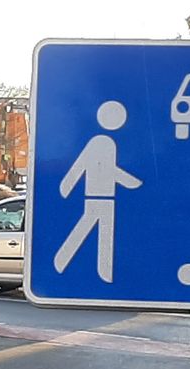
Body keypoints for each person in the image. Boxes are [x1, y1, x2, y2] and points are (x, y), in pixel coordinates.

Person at [53, 100, 142, 283]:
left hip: (108, 197)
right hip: (97, 195)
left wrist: (67, 187)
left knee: (100, 232)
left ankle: (104, 272)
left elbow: (108, 169)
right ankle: (63, 261)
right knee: (89, 228)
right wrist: (67, 186)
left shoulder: (108, 143)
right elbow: (83, 165)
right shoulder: (101, 142)